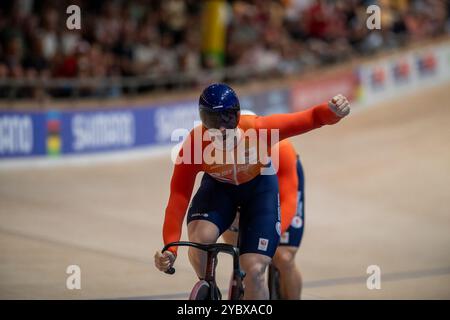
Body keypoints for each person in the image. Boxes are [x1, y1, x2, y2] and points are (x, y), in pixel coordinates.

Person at [154, 83, 350, 299]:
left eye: (226, 118)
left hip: (259, 191)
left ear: (238, 117)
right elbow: (178, 197)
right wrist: (170, 249)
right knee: (201, 241)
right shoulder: (194, 144)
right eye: (212, 120)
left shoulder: (261, 132)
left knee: (255, 269)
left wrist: (332, 111)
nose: (220, 128)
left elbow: (311, 118)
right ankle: (209, 287)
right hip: (220, 191)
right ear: (202, 120)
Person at [222, 111, 305, 299]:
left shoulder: (281, 150)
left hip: (282, 191)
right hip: (252, 191)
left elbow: (288, 200)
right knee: (240, 250)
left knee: (283, 257)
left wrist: (269, 236)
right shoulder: (223, 154)